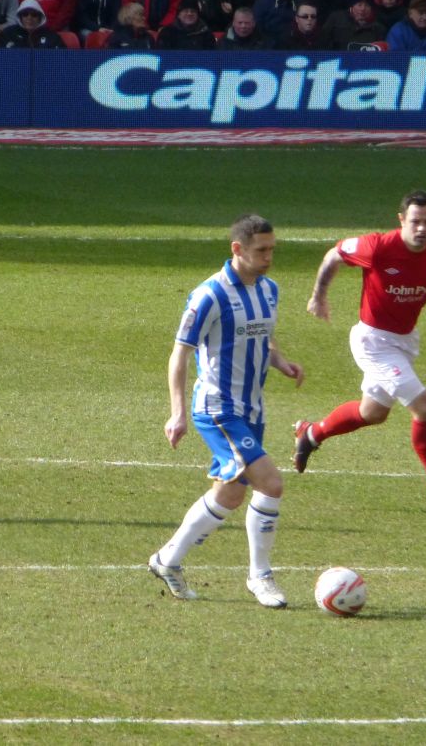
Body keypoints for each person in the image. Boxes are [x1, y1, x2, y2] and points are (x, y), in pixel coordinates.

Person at [149, 214, 304, 608]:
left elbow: (262, 336)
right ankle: (260, 576)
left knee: (230, 494)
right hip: (217, 408)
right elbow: (180, 354)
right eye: (261, 250)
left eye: (272, 249)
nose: (269, 257)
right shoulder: (209, 295)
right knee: (271, 483)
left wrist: (281, 362)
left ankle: (167, 560)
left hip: (252, 409)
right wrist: (177, 413)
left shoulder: (269, 290)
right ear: (237, 249)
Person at [294, 189, 426, 512]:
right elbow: (335, 254)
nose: (422, 229)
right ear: (401, 220)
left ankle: (311, 434)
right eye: (415, 221)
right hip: (373, 342)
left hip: (405, 342)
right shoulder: (377, 246)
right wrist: (318, 295)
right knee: (424, 407)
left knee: (372, 413)